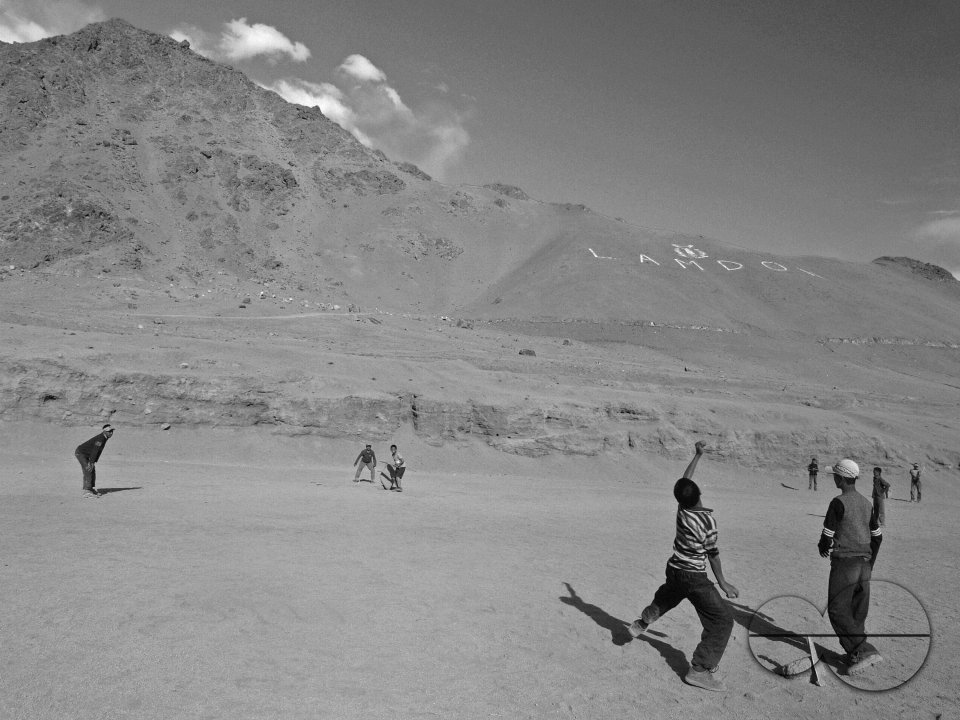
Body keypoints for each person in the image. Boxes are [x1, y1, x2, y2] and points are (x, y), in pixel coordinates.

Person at [629, 441, 739, 692]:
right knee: (722, 620)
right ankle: (699, 671)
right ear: (699, 494)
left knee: (668, 596)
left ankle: (643, 621)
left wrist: (697, 456)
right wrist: (723, 583)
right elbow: (713, 555)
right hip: (694, 576)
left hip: (675, 568)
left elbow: (684, 480)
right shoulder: (707, 520)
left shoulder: (682, 511)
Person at [818, 458, 883, 675]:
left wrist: (823, 546)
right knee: (857, 611)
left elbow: (827, 534)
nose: (834, 479)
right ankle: (856, 654)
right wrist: (869, 562)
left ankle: (862, 649)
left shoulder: (838, 502)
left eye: (835, 476)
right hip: (864, 563)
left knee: (837, 609)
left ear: (841, 478)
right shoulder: (866, 503)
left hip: (845, 563)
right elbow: (877, 536)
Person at [75, 424, 115, 498]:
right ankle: (87, 491)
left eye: (112, 431)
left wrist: (93, 461)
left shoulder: (105, 437)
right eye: (109, 431)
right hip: (81, 453)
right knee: (88, 469)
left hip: (86, 454)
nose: (111, 433)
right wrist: (92, 462)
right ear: (104, 431)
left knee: (92, 469)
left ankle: (90, 489)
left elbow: (97, 450)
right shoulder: (101, 438)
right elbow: (95, 450)